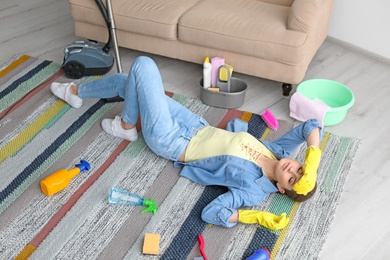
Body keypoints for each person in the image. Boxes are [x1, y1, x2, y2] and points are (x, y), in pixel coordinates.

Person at [51, 56, 323, 229]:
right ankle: (77, 93)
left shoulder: (254, 191)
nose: (291, 170)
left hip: (173, 141)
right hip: (194, 124)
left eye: (291, 179)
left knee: (143, 66)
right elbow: (312, 126)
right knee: (130, 81)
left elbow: (213, 212)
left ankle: (125, 125)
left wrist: (254, 216)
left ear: (280, 189)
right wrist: (313, 157)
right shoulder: (280, 151)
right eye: (300, 168)